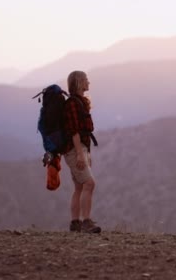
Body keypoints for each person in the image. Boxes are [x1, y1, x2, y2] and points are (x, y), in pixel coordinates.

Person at [63, 70, 101, 233]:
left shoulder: (80, 102)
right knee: (89, 183)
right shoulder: (72, 103)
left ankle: (75, 223)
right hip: (74, 149)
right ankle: (86, 222)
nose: (89, 82)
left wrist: (87, 153)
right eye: (86, 80)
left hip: (80, 148)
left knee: (79, 187)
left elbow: (83, 133)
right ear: (78, 82)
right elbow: (74, 131)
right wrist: (79, 154)